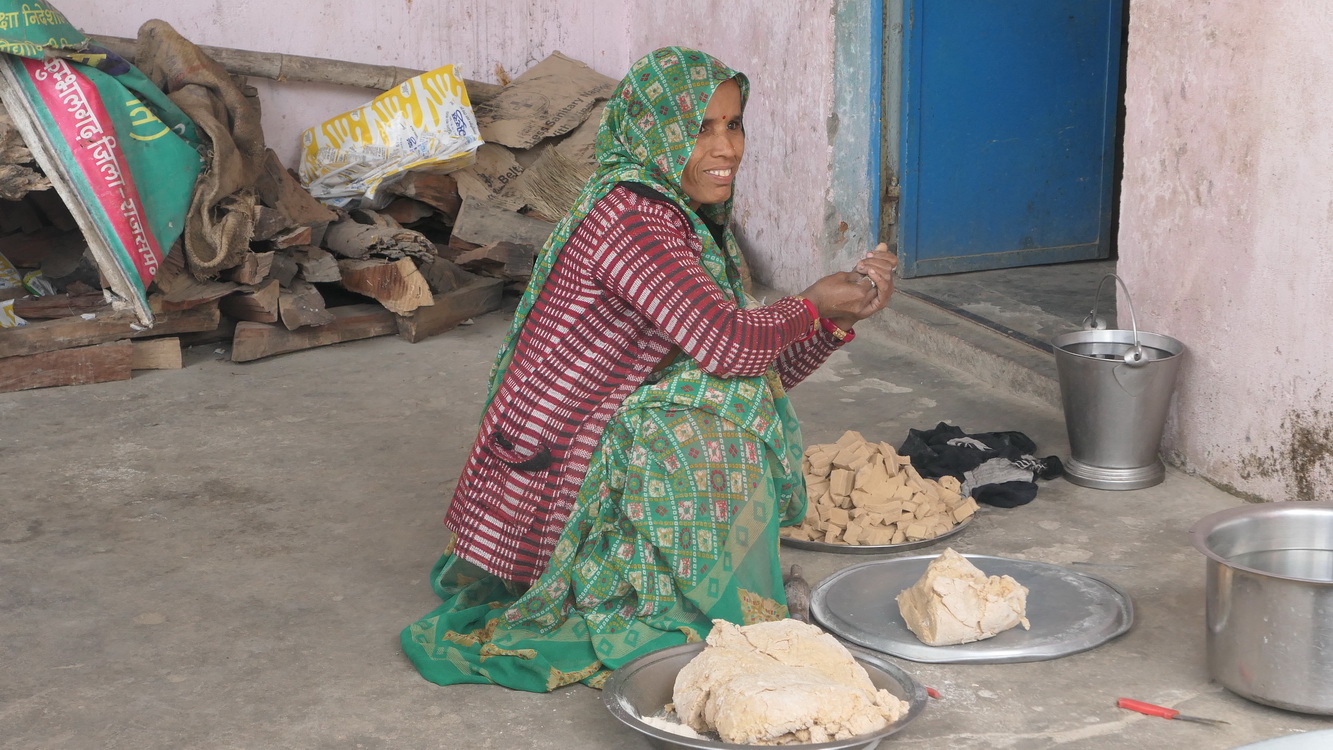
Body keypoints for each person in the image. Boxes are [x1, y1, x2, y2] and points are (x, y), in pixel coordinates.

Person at [400, 46, 897, 692]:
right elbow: (729, 347)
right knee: (711, 434)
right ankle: (681, 599)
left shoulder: (679, 215)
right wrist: (809, 304)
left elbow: (748, 365)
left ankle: (689, 579)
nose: (726, 148)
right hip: (553, 464)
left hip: (586, 433)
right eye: (699, 128)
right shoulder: (629, 217)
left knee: (729, 401)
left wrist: (833, 320)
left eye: (733, 125)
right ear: (652, 132)